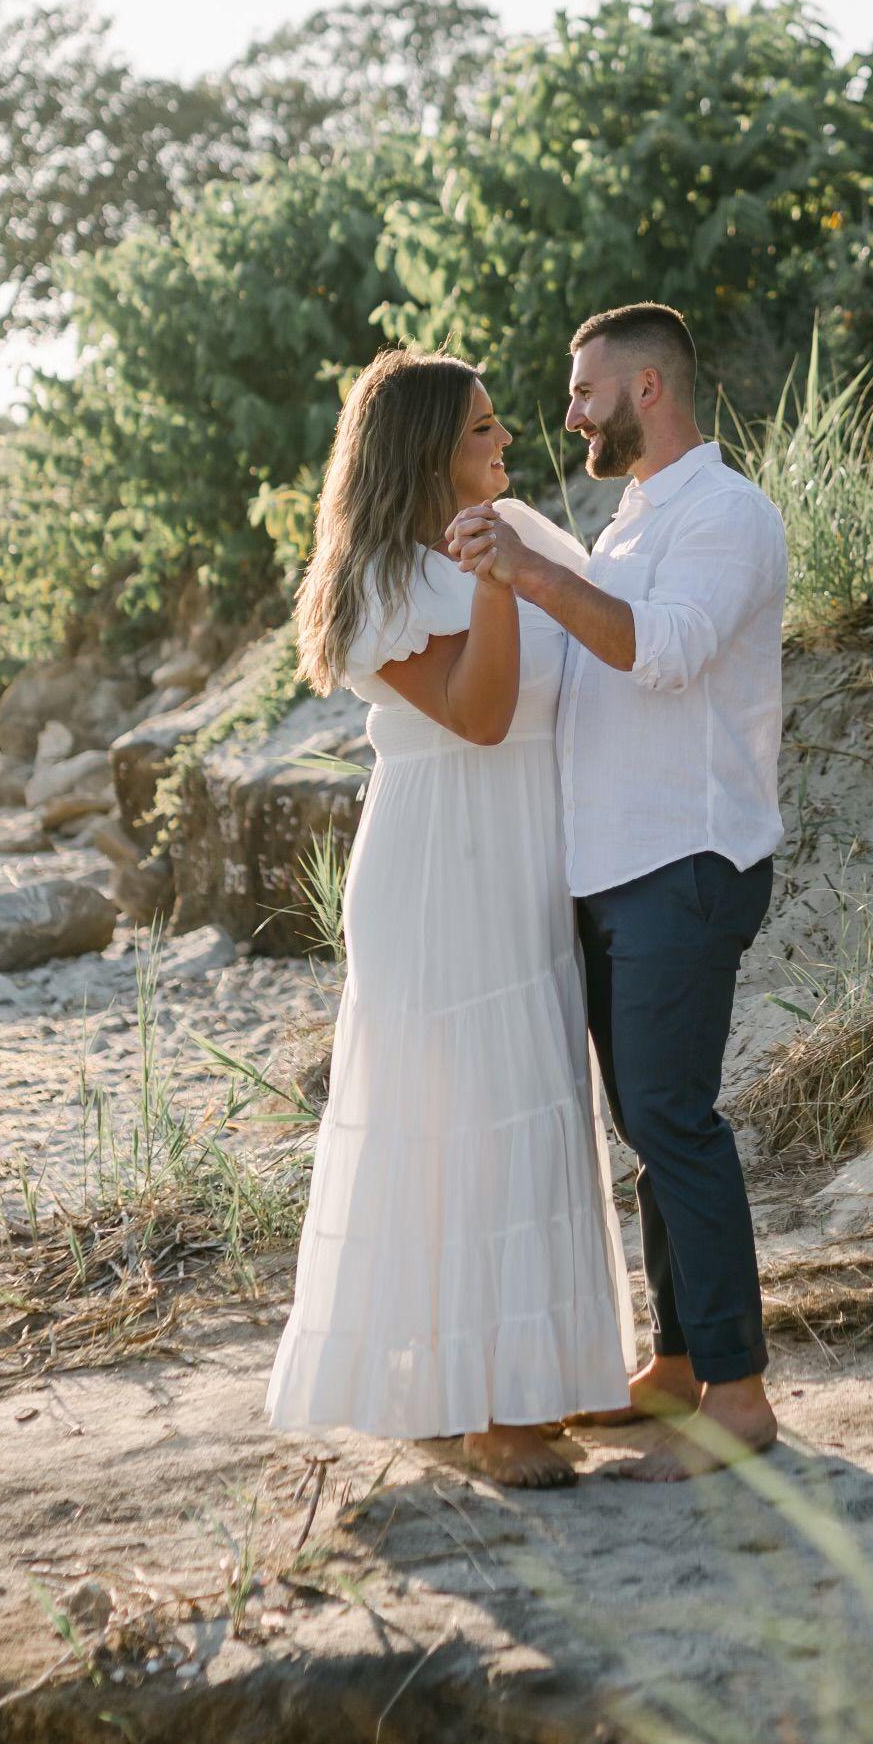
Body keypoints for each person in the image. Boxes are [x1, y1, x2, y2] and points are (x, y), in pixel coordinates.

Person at [263, 350, 631, 1489]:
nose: (505, 446)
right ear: (430, 451)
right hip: (439, 862)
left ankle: (526, 1379)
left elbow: (612, 624)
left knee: (534, 1099)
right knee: (468, 1111)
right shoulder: (376, 578)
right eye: (482, 432)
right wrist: (492, 575)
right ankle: (488, 1409)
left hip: (528, 850)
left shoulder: (512, 525)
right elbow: (476, 715)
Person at [446, 302, 792, 1471]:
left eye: (586, 390)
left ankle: (740, 1398)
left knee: (675, 1123)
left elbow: (667, 651)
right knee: (650, 1123)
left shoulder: (728, 515)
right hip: (614, 868)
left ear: (648, 390)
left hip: (685, 860)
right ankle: (682, 1364)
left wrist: (539, 577)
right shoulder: (637, 517)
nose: (569, 413)